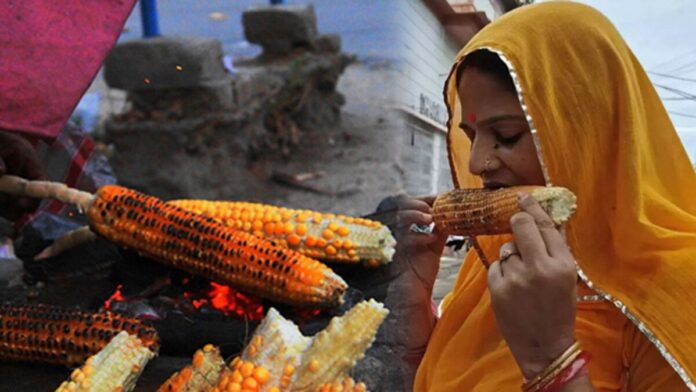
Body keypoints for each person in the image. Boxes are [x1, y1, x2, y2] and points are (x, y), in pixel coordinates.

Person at [394, 2, 696, 391]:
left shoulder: (677, 291)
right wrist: (415, 305)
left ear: (588, 134)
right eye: (471, 138)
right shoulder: (498, 255)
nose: (478, 162)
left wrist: (551, 359)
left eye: (506, 136)